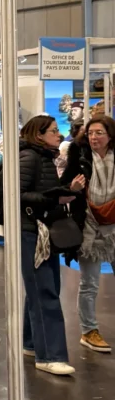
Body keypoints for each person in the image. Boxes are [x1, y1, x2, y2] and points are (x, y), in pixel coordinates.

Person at [19, 115, 86, 377]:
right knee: (45, 291)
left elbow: (36, 190)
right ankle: (50, 355)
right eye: (54, 131)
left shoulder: (41, 157)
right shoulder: (31, 158)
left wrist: (64, 191)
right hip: (32, 232)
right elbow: (18, 194)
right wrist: (54, 197)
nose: (59, 135)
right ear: (39, 134)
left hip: (40, 231)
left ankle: (33, 344)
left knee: (43, 289)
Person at [61, 116, 115, 353]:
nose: (94, 137)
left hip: (114, 226)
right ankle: (89, 330)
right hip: (89, 226)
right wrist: (72, 189)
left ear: (110, 135)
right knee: (90, 282)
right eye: (91, 133)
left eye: (99, 133)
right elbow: (64, 187)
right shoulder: (80, 155)